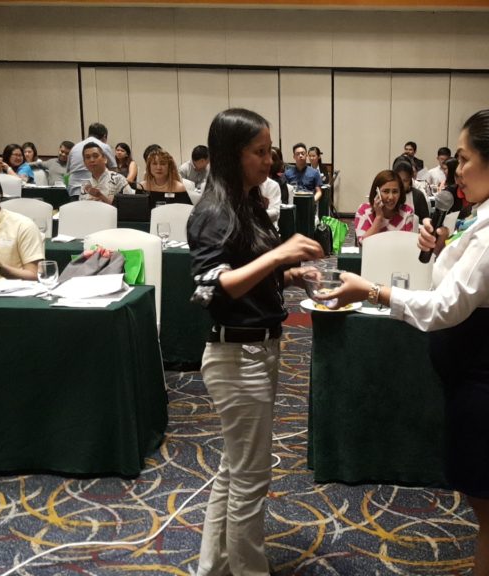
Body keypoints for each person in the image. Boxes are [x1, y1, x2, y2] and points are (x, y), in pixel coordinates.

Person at [326, 108, 489, 576]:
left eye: (464, 158)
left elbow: (445, 308)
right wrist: (441, 249)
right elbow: (473, 279)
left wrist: (372, 291)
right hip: (477, 372)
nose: (456, 171)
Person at [186, 108, 323, 576]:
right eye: (259, 152)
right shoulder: (213, 211)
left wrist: (290, 274)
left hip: (257, 347)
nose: (269, 161)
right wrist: (281, 255)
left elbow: (251, 272)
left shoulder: (247, 202)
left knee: (235, 470)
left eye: (270, 151)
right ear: (232, 154)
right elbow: (214, 287)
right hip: (236, 355)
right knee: (249, 480)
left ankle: (215, 567)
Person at [353, 169, 415, 243]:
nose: (391, 197)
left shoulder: (407, 212)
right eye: (386, 191)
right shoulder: (364, 210)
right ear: (377, 192)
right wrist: (379, 217)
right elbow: (363, 243)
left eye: (395, 192)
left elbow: (408, 243)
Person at [67, 123, 117, 197]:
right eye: (87, 157)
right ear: (104, 136)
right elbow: (113, 170)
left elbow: (68, 170)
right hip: (96, 193)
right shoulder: (103, 146)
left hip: (74, 191)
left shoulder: (74, 148)